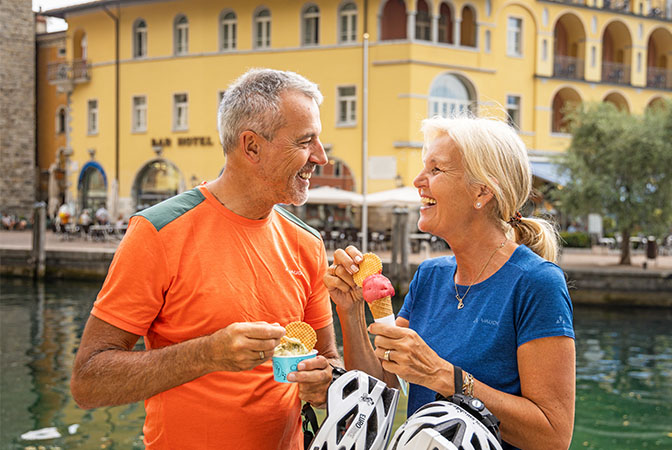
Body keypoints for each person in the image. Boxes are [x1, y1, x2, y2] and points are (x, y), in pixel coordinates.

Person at [70, 68, 340, 449]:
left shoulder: (308, 243)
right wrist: (206, 354)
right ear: (251, 147)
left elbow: (328, 361)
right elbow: (88, 382)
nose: (322, 157)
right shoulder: (158, 232)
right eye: (305, 141)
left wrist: (323, 380)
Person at [326, 116, 575, 450]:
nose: (418, 181)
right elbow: (379, 385)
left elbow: (553, 435)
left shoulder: (537, 283)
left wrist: (442, 376)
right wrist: (352, 312)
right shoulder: (430, 276)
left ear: (482, 191)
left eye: (436, 170)